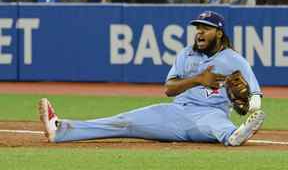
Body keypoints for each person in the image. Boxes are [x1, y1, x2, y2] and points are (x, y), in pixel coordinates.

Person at [38, 10, 265, 146]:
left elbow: (255, 91)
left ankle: (233, 136)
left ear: (219, 33)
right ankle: (62, 130)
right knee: (125, 121)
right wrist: (198, 79)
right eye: (198, 27)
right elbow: (169, 89)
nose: (199, 32)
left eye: (206, 28)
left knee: (217, 125)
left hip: (210, 113)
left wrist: (253, 108)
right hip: (176, 113)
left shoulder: (234, 60)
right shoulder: (185, 54)